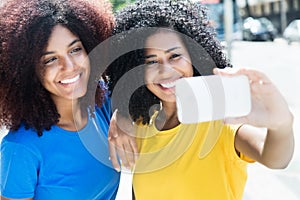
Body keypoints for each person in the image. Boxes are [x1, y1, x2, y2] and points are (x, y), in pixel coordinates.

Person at [105, 0, 294, 199]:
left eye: (175, 56)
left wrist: (281, 124)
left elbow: (275, 158)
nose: (165, 70)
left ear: (194, 56)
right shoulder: (143, 124)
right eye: (151, 61)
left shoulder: (219, 117)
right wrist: (120, 116)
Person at [0, 0, 120, 199]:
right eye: (50, 59)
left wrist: (122, 118)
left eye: (75, 50)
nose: (70, 66)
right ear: (27, 72)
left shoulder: (102, 103)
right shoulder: (21, 148)